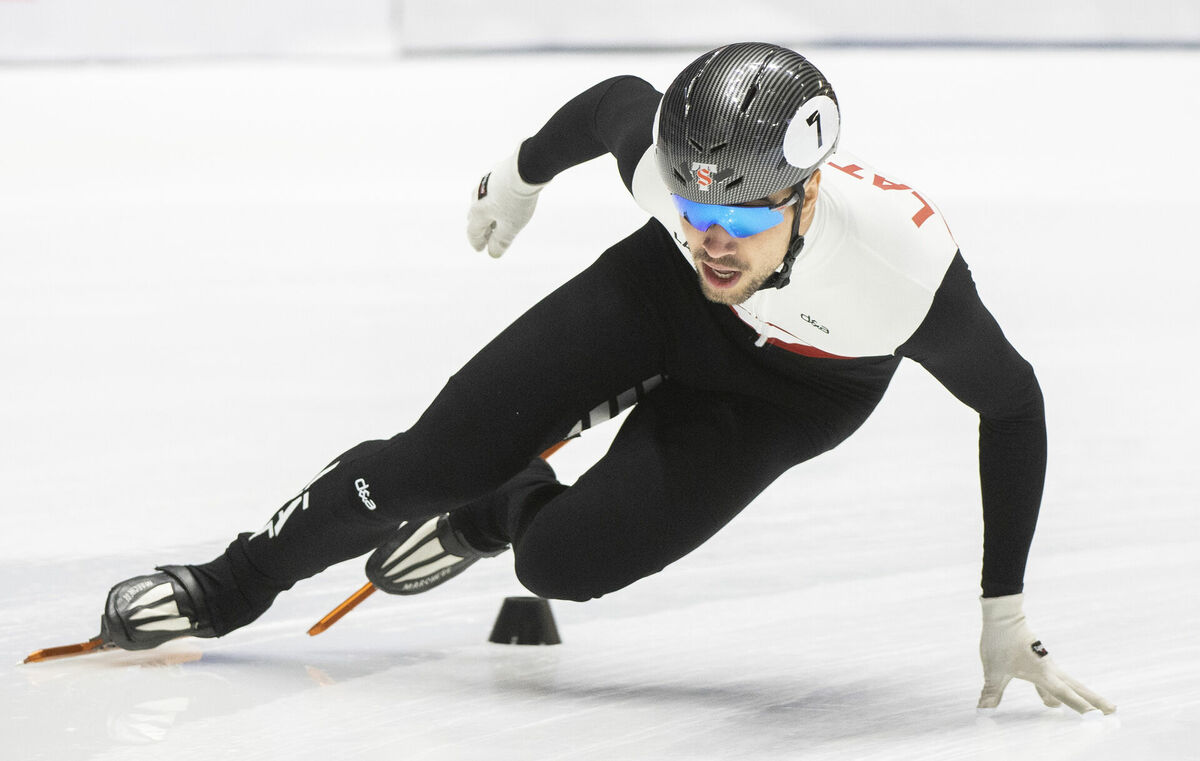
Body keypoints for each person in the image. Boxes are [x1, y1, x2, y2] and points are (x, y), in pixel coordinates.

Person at [97, 42, 1113, 716]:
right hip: (654, 298)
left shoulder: (903, 278)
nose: (716, 238)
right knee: (423, 466)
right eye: (695, 206)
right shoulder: (686, 198)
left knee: (561, 567)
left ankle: (500, 509)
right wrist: (522, 173)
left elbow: (1014, 404)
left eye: (746, 220)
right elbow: (620, 104)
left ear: (805, 195)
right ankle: (229, 582)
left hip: (791, 390)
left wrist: (1002, 608)